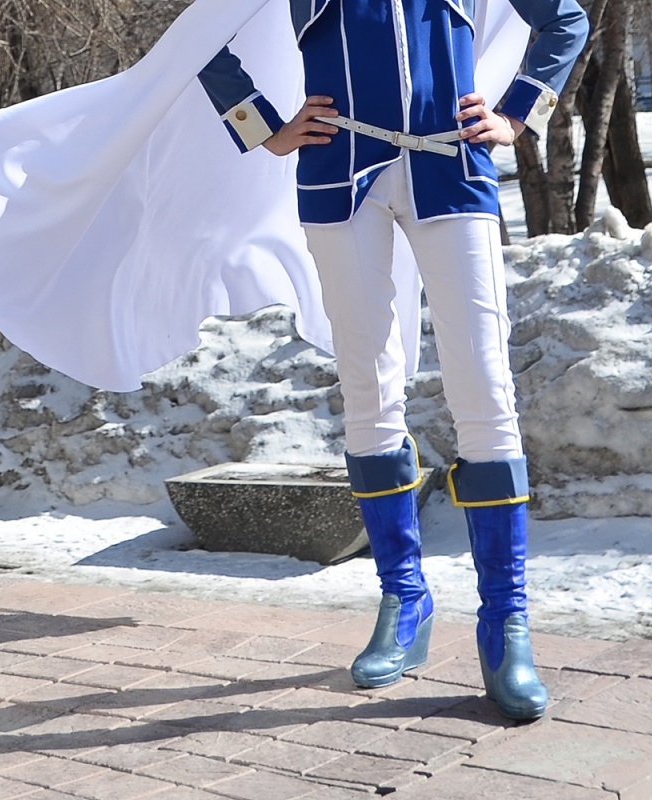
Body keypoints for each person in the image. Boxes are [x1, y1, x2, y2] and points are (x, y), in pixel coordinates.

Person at [195, 0, 587, 720]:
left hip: (453, 165)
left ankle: (507, 623)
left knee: (484, 387)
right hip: (339, 173)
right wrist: (263, 126)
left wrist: (519, 113)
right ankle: (403, 599)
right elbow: (197, 34)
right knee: (368, 391)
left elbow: (565, 18)